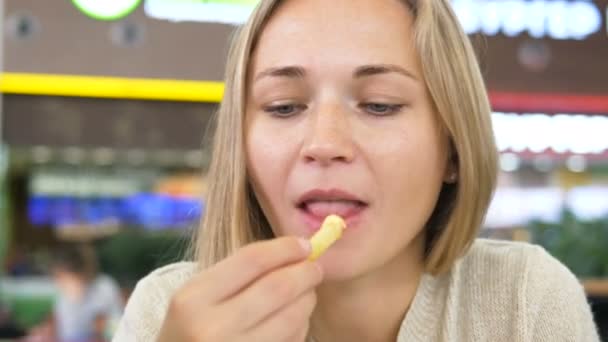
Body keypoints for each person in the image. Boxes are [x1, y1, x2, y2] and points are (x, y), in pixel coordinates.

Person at [114, 0, 600, 341]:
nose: (325, 143)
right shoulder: (168, 311)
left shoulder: (523, 303)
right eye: (284, 107)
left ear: (452, 148)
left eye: (380, 105)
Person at [45, 244, 123, 342]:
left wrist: (105, 326)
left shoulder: (104, 287)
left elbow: (121, 329)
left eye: (63, 277)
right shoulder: (63, 293)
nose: (59, 283)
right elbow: (66, 331)